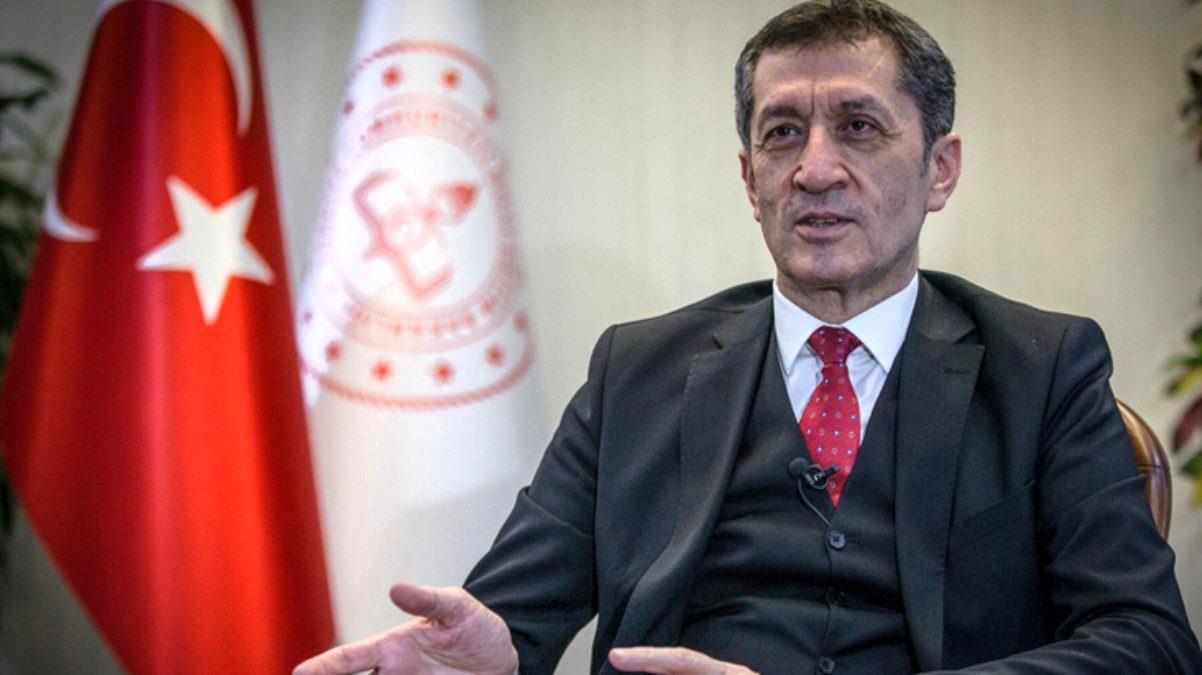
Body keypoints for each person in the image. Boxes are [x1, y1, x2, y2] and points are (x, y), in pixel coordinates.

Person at [296, 1, 1202, 673]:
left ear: (941, 169)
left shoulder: (1042, 368)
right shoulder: (637, 371)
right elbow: (507, 618)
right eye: (782, 133)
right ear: (749, 178)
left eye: (858, 127)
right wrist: (485, 651)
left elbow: (1149, 640)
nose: (815, 168)